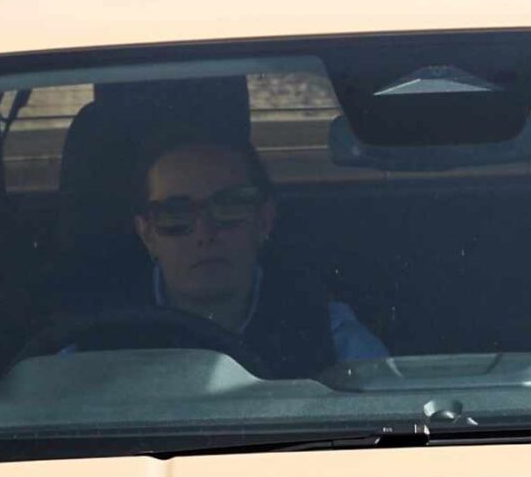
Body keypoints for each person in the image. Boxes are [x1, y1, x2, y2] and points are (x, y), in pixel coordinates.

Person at [126, 139, 389, 374]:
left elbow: (386, 411)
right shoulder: (96, 340)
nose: (204, 234)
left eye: (229, 207)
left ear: (264, 220)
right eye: (175, 213)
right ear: (147, 234)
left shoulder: (328, 334)